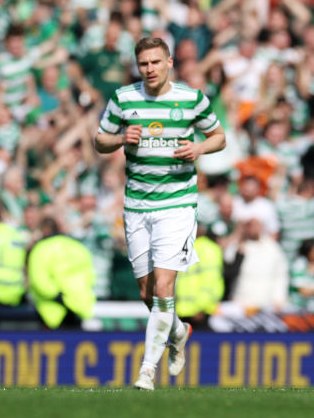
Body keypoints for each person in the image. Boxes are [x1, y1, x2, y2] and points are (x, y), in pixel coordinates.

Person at [94, 36, 225, 391]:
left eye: (155, 62)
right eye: (143, 64)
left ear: (169, 62)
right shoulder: (124, 98)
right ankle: (179, 331)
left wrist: (197, 147)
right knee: (148, 294)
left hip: (178, 203)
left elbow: (219, 137)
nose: (149, 69)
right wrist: (122, 138)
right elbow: (99, 140)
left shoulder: (192, 98)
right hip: (137, 205)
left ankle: (146, 371)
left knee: (165, 285)